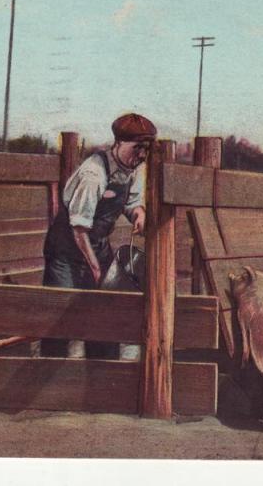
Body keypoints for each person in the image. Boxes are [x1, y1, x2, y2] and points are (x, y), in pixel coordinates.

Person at [38, 113, 156, 359]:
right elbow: (79, 228)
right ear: (119, 143)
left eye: (146, 149)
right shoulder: (94, 174)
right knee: (59, 318)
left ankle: (104, 374)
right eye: (137, 148)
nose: (142, 155)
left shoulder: (132, 169)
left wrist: (138, 213)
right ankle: (49, 377)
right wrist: (94, 268)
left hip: (98, 245)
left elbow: (132, 202)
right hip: (66, 250)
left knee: (105, 315)